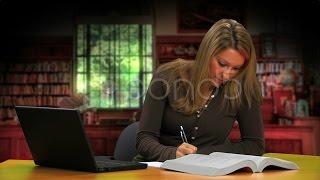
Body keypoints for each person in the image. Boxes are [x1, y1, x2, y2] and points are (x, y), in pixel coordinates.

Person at [135, 19, 265, 162]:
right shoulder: (166, 76)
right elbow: (144, 140)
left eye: (236, 68)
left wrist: (205, 154)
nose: (227, 75)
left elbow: (255, 145)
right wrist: (172, 153)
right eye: (222, 64)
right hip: (160, 170)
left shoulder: (245, 87)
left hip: (211, 171)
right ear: (206, 53)